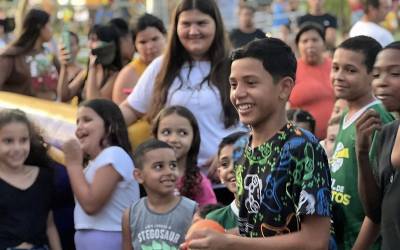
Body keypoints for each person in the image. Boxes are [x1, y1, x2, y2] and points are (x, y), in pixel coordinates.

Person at [185, 38, 332, 250]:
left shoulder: (303, 147)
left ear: (284, 88)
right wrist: (213, 237)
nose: (238, 93)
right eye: (234, 84)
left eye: (251, 83)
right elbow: (253, 230)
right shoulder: (245, 147)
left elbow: (316, 240)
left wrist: (229, 241)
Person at [120, 0, 241, 168]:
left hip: (228, 180)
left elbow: (260, 121)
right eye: (185, 24)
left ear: (216, 25)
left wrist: (233, 148)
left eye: (201, 23)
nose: (193, 31)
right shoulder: (161, 67)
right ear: (175, 27)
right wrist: (97, 124)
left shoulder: (236, 66)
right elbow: (131, 109)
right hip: (174, 182)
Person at [329, 36, 394, 250]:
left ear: (371, 75)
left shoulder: (377, 119)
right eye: (335, 67)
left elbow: (380, 201)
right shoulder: (348, 114)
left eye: (350, 70)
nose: (338, 76)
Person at [62, 99, 140, 250]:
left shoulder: (114, 154)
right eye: (77, 122)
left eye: (87, 120)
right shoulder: (92, 165)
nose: (79, 127)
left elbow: (91, 204)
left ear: (109, 126)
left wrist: (72, 164)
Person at [355, 41, 400, 250]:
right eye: (376, 75)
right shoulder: (386, 133)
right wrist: (362, 153)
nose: (381, 82)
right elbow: (375, 213)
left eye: (395, 73)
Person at [0, 109, 62, 250]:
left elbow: (50, 225)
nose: (17, 148)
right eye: (8, 141)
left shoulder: (44, 177)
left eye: (23, 140)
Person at [122, 139, 197, 250]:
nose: (169, 171)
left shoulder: (192, 211)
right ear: (139, 176)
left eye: (172, 165)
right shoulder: (131, 214)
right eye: (159, 166)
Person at [152, 105, 217, 207]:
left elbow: (209, 220)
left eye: (182, 133)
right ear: (156, 136)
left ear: (193, 139)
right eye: (166, 132)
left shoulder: (199, 184)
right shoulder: (146, 177)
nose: (173, 139)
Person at [289, 23, 335, 139]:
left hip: (336, 140)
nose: (310, 45)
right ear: (297, 46)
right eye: (304, 41)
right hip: (301, 141)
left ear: (323, 43)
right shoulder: (291, 70)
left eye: (315, 40)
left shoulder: (336, 66)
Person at [0, 9, 58, 100]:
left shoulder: (49, 54)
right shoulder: (12, 56)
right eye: (49, 25)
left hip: (50, 111)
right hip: (22, 111)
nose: (52, 30)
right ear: (40, 27)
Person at [112, 13, 167, 104]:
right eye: (143, 42)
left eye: (155, 39)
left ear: (165, 37)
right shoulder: (129, 74)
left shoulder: (178, 64)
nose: (149, 46)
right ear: (135, 45)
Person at [205, 131, 247, 230]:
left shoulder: (277, 214)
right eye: (225, 164)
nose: (232, 168)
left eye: (241, 160)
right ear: (219, 174)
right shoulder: (214, 220)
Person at [85, 24, 124, 100]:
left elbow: (93, 101)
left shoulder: (116, 76)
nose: (89, 44)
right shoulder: (85, 72)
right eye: (89, 39)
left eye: (94, 40)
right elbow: (65, 95)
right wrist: (64, 66)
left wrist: (92, 68)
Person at [57, 31, 84, 103]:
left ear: (78, 48)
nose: (67, 48)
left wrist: (64, 67)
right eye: (63, 44)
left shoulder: (83, 72)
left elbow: (64, 96)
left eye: (71, 45)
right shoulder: (54, 68)